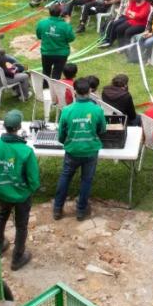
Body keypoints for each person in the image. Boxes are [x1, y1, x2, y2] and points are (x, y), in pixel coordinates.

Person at [0, 110, 39, 272]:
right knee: (21, 225)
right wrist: (30, 190)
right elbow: (33, 180)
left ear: (4, 127)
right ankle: (17, 257)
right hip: (21, 195)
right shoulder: (25, 151)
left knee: (2, 214)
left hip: (0, 190)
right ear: (19, 127)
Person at [53, 78, 107, 221]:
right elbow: (102, 130)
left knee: (65, 177)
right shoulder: (97, 110)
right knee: (86, 180)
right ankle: (81, 211)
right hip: (90, 151)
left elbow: (61, 135)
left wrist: (67, 142)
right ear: (90, 91)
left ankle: (57, 209)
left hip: (72, 151)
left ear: (74, 91)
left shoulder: (67, 110)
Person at [35, 3, 75, 79]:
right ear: (60, 13)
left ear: (49, 12)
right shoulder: (65, 25)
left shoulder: (42, 23)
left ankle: (45, 88)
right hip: (61, 54)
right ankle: (54, 90)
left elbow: (39, 36)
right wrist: (68, 24)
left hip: (46, 52)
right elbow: (71, 38)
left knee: (46, 72)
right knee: (57, 74)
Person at [0, 36, 30, 101]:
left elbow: (6, 68)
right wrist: (17, 69)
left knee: (20, 69)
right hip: (2, 80)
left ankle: (17, 91)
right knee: (25, 75)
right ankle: (24, 96)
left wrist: (15, 68)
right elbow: (8, 72)